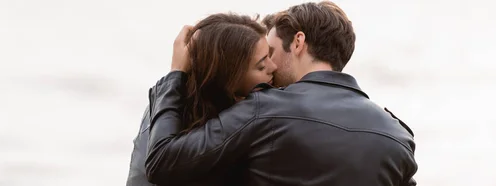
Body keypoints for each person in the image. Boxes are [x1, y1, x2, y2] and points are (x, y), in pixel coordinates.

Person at [145, 1, 418, 186]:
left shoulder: (263, 108)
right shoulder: (398, 136)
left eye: (271, 52)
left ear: (298, 42)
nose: (271, 67)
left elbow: (163, 161)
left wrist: (176, 75)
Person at [126, 13, 276, 186]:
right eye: (262, 65)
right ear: (229, 79)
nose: (274, 67)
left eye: (270, 56)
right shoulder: (229, 129)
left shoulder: (163, 104)